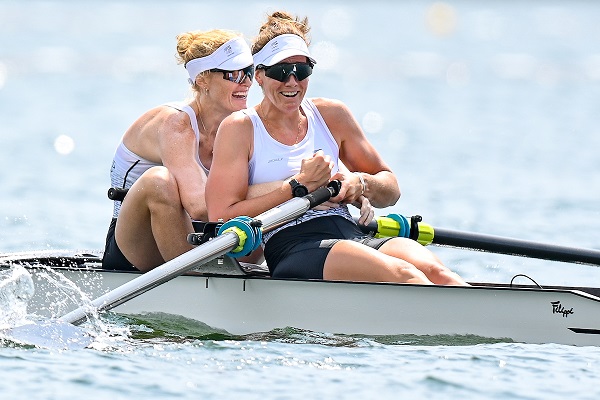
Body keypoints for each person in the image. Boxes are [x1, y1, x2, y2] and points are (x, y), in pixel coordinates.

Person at [206, 11, 467, 286]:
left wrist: (360, 183)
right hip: (295, 245)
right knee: (406, 275)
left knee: (439, 273)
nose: (292, 82)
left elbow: (391, 188)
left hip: (352, 232)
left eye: (302, 70)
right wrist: (298, 186)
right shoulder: (240, 128)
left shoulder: (332, 115)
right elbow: (221, 215)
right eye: (281, 72)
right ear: (259, 76)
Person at [102, 29, 257, 272]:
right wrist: (285, 190)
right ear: (202, 80)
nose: (247, 82)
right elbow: (200, 207)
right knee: (159, 181)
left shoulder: (243, 127)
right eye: (235, 74)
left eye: (250, 71)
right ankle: (199, 281)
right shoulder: (176, 125)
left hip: (196, 234)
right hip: (136, 243)